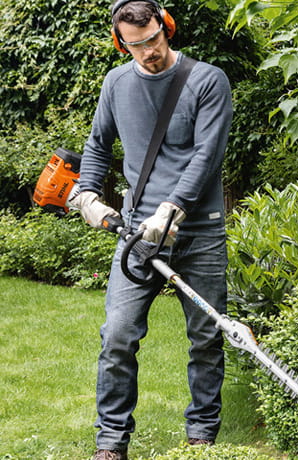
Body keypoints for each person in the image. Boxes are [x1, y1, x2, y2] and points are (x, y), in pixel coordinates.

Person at [71, 1, 232, 459]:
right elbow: (98, 144)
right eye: (136, 45)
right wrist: (87, 193)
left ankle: (201, 436)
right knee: (118, 335)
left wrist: (172, 208)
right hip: (137, 238)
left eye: (154, 40)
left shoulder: (207, 80)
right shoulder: (117, 83)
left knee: (206, 338)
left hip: (199, 233)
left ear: (167, 28)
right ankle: (111, 442)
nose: (149, 52)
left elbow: (207, 155)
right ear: (121, 43)